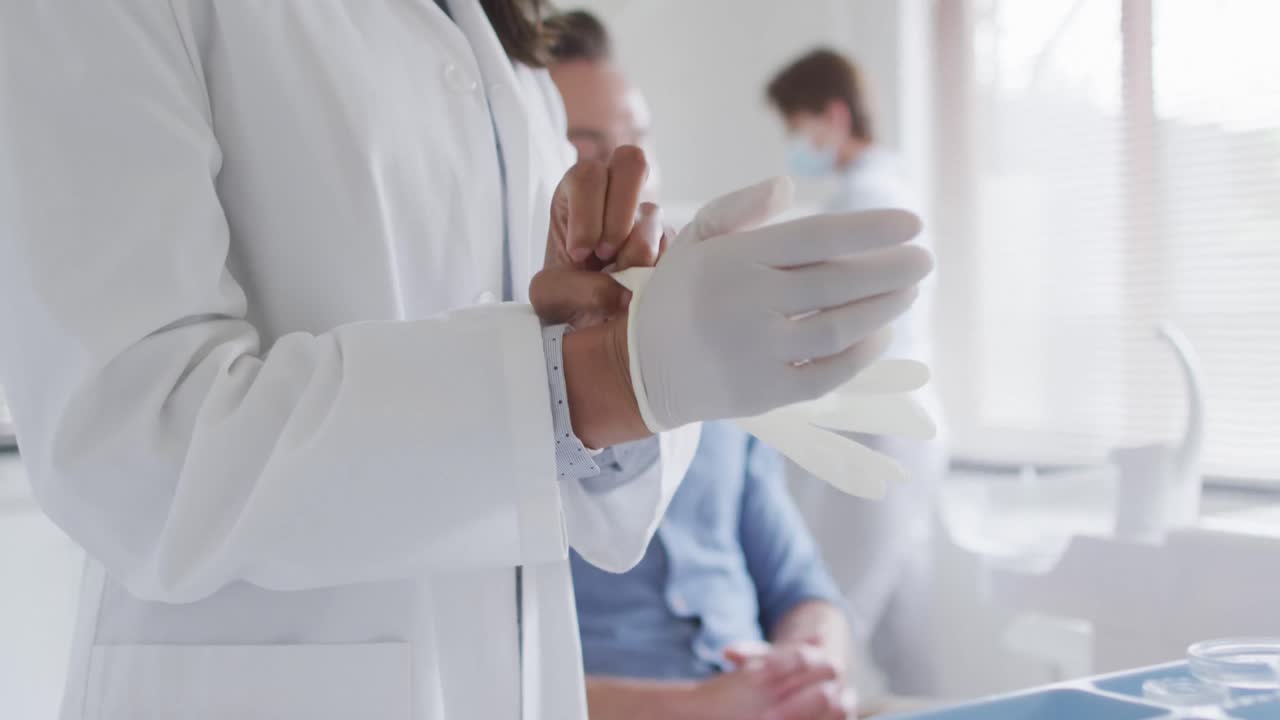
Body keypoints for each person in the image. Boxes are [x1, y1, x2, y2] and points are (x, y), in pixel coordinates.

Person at [0, 2, 931, 717]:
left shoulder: (494, 41)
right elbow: (138, 450)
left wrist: (610, 319)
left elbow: (561, 479)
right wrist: (601, 379)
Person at [548, 13, 857, 719]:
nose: (626, 173)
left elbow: (806, 590)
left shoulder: (715, 372)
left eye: (637, 143)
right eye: (587, 150)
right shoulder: (507, 396)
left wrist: (810, 664)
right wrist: (707, 707)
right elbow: (495, 682)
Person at [767, 48, 950, 696]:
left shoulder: (866, 200)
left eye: (797, 125)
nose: (795, 143)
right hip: (906, 434)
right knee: (903, 635)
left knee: (833, 618)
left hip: (879, 434)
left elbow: (848, 329)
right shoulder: (881, 190)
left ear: (833, 115)